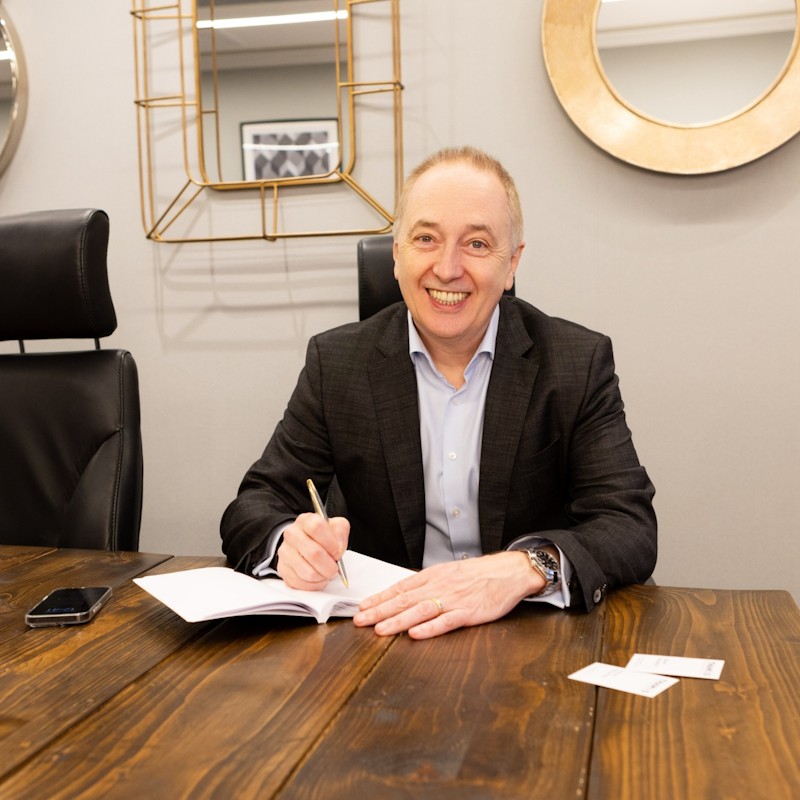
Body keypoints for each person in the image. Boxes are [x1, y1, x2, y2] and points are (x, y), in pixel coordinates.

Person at [220, 146, 656, 640]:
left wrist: (526, 567)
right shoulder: (337, 364)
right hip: (382, 634)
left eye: (476, 244)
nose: (447, 269)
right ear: (397, 253)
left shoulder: (576, 362)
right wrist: (288, 545)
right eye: (426, 238)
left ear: (512, 263)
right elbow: (254, 505)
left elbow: (629, 526)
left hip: (529, 636)